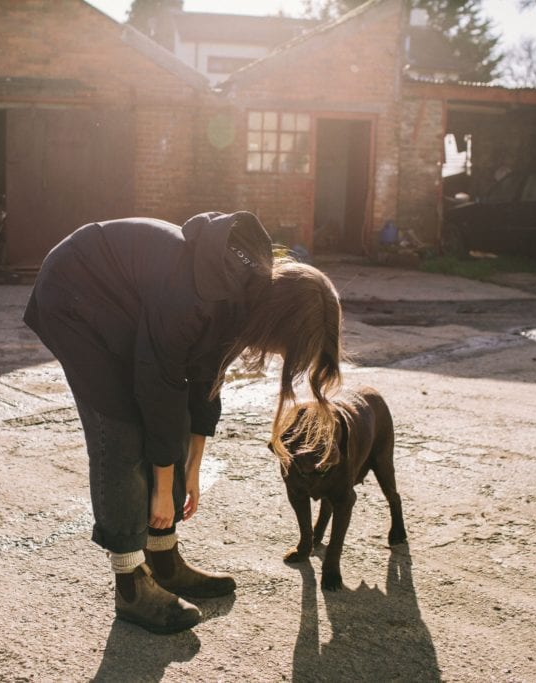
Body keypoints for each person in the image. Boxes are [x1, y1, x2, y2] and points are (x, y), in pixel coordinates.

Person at [23, 210, 343, 634]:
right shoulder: (198, 297)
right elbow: (159, 384)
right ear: (277, 319)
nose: (282, 355)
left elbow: (203, 383)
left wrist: (192, 466)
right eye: (288, 345)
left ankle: (164, 558)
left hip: (123, 305)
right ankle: (131, 586)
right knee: (119, 431)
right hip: (76, 293)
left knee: (166, 421)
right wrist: (161, 488)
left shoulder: (241, 294)